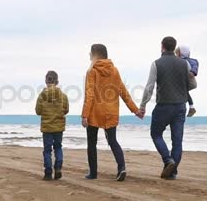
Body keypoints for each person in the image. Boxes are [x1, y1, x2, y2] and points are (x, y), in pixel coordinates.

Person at [81, 44, 143, 181]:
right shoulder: (114, 70)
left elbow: (90, 95)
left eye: (90, 53)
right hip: (111, 112)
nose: (89, 55)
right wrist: (135, 110)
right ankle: (122, 168)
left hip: (94, 112)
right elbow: (123, 92)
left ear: (95, 54)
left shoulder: (92, 71)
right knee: (113, 141)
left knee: (92, 143)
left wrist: (85, 115)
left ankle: (93, 173)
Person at [139, 37, 197, 180]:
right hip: (180, 107)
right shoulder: (185, 64)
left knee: (156, 134)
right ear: (174, 47)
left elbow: (149, 88)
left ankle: (168, 160)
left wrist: (142, 105)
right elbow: (193, 85)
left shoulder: (156, 64)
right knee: (177, 141)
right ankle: (172, 172)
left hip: (163, 106)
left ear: (162, 47)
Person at [35, 70, 69, 181]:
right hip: (59, 127)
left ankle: (48, 172)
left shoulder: (42, 95)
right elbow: (66, 109)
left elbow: (38, 111)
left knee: (47, 150)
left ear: (46, 81)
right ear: (57, 81)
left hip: (47, 127)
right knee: (58, 147)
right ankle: (58, 167)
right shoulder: (63, 96)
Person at [175, 45, 199, 117]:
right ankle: (191, 107)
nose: (176, 55)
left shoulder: (190, 61)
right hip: (186, 81)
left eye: (177, 53)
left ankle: (191, 107)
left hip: (190, 82)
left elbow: (194, 67)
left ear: (181, 53)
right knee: (183, 92)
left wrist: (192, 72)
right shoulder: (182, 61)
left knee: (181, 90)